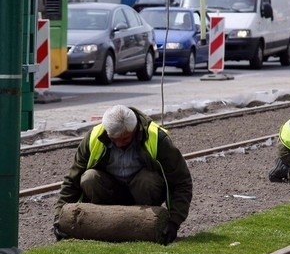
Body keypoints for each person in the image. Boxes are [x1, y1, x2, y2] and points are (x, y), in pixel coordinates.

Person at [53, 105, 193, 245]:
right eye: (114, 139)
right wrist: (60, 218)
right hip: (110, 193)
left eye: (125, 139)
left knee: (147, 180)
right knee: (90, 177)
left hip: (144, 195)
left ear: (134, 130)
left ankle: (142, 224)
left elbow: (181, 182)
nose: (119, 144)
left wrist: (174, 222)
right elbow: (72, 180)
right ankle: (106, 223)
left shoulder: (157, 139)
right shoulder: (94, 137)